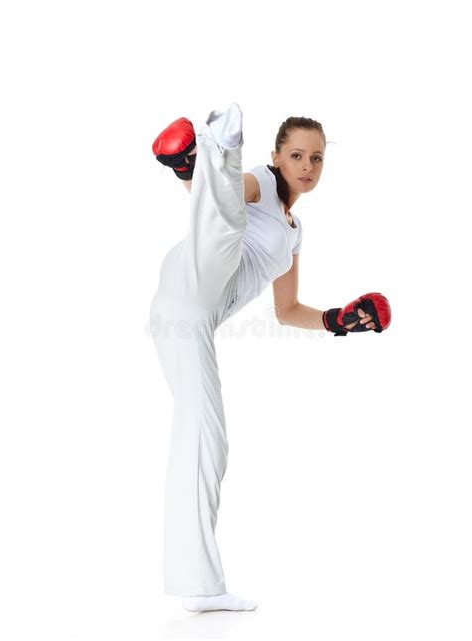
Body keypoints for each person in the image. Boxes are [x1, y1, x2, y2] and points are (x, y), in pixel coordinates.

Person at [149, 103, 391, 613]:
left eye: (318, 158)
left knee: (208, 442)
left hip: (192, 312)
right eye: (297, 155)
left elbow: (286, 310)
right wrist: (204, 177)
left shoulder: (295, 232)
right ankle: (211, 153)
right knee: (227, 231)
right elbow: (222, 206)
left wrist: (336, 320)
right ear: (277, 157)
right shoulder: (258, 181)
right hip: (199, 275)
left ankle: (197, 585)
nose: (308, 166)